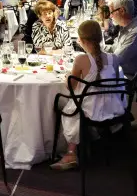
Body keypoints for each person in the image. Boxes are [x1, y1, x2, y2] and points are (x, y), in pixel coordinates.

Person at [51, 20, 127, 170]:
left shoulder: (81, 59)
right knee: (83, 103)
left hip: (90, 111)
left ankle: (71, 152)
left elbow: (71, 87)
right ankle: (92, 142)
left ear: (81, 40)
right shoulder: (114, 58)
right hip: (113, 108)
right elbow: (117, 82)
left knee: (65, 105)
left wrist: (67, 76)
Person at [105, 0, 137, 77]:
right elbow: (114, 48)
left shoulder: (136, 33)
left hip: (134, 78)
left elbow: (115, 61)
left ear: (122, 11)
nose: (110, 16)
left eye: (111, 12)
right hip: (125, 73)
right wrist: (95, 47)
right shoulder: (126, 27)